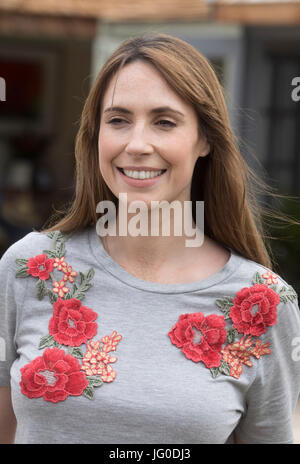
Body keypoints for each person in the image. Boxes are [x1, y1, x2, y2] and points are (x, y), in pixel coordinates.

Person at [0, 32, 300, 445]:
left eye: (164, 122)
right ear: (96, 135)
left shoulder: (263, 304)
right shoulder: (26, 269)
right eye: (118, 120)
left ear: (205, 139)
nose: (137, 144)